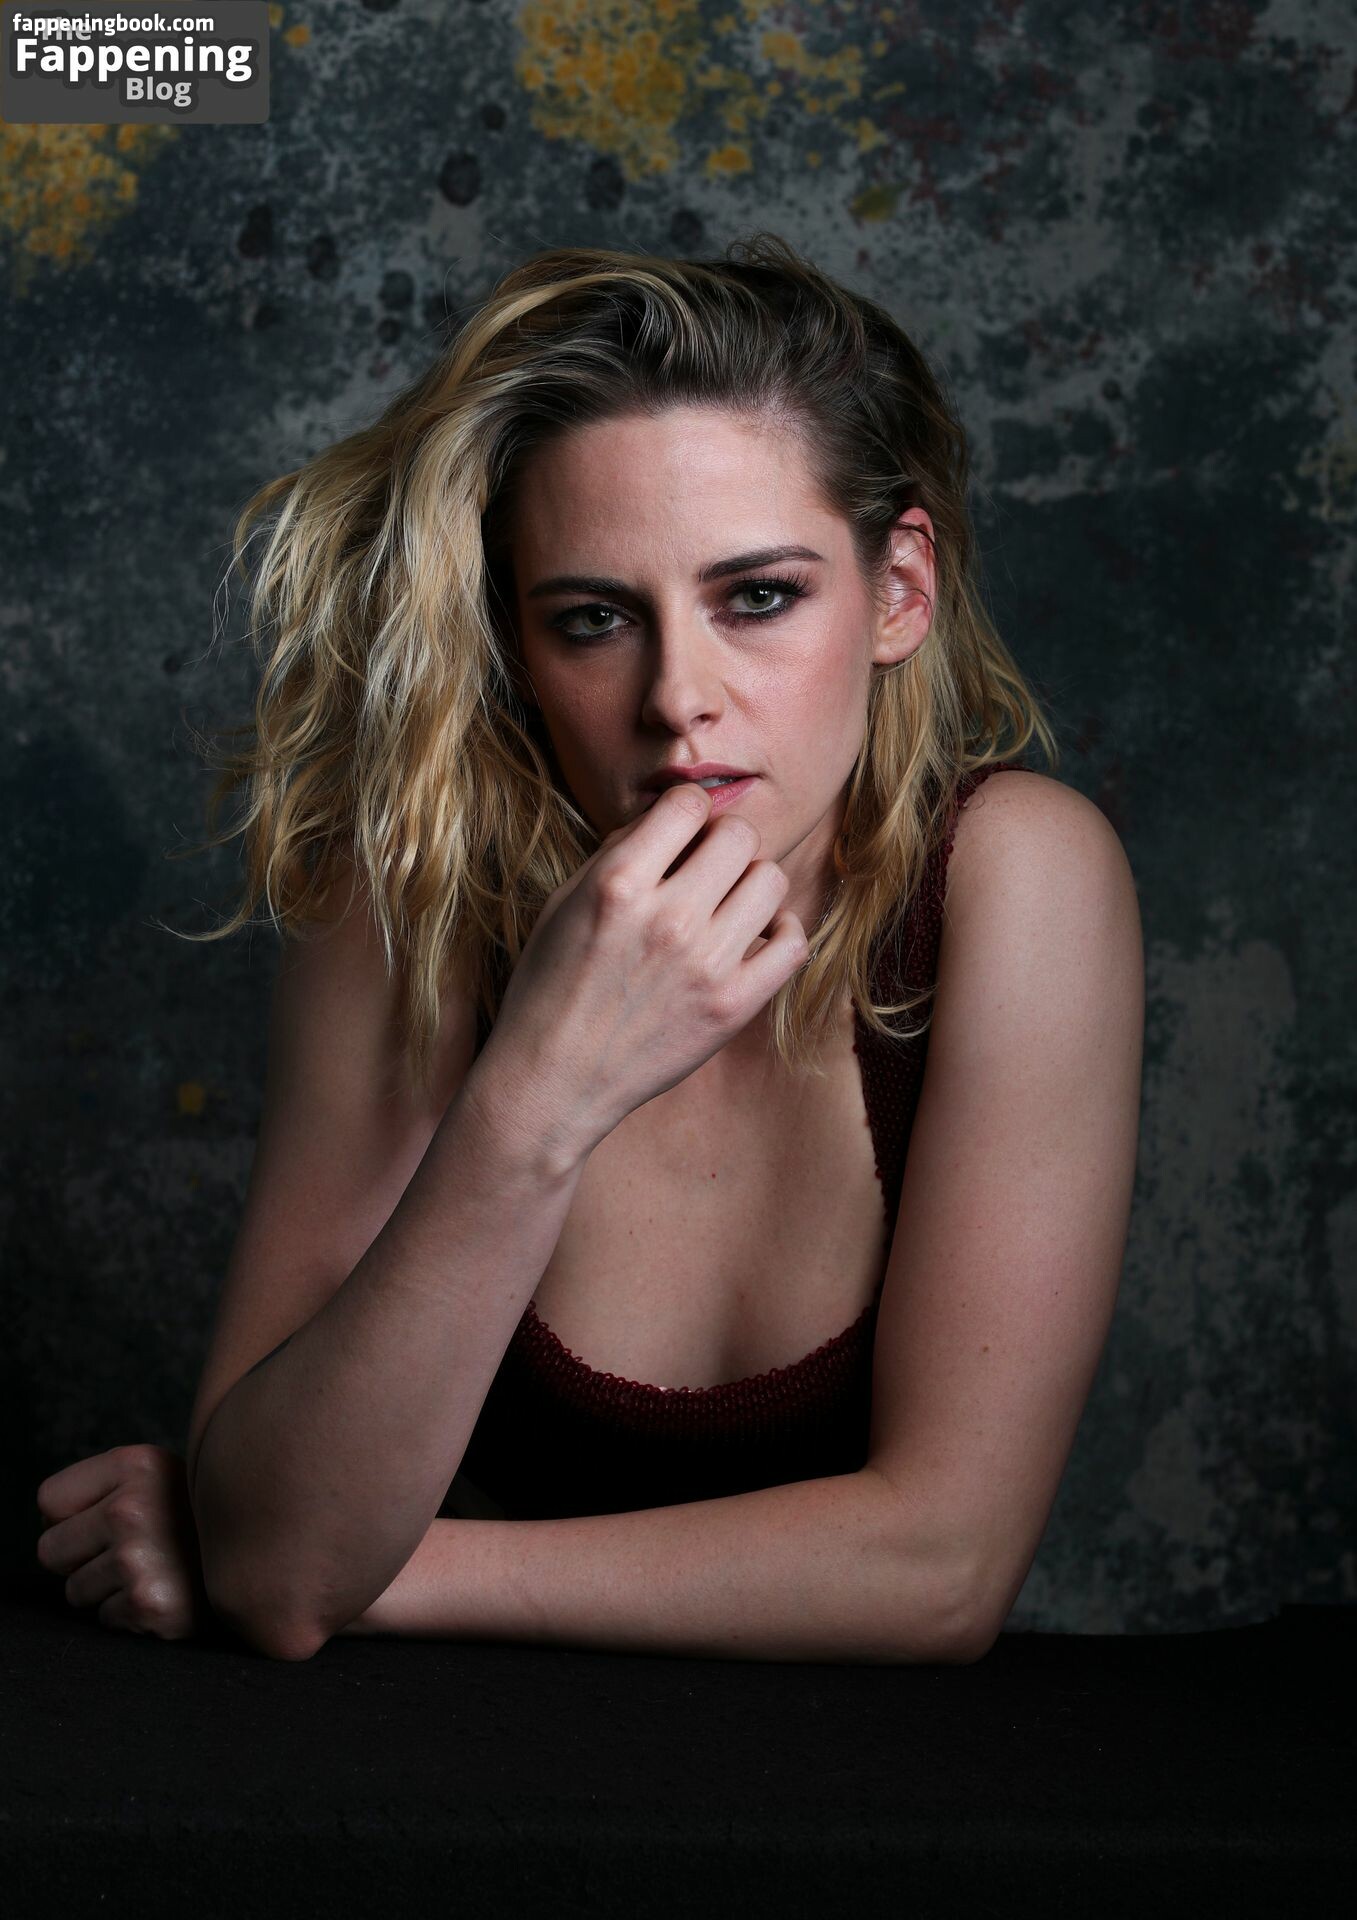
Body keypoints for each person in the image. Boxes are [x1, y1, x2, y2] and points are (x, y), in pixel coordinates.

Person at [33, 234, 1144, 1665]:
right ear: (517, 642)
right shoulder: (411, 895)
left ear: (897, 592)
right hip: (446, 1772)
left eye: (758, 597)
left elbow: (940, 1569)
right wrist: (537, 1100)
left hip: (867, 1783)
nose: (678, 697)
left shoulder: (1012, 880)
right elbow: (283, 1563)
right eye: (594, 619)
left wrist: (376, 1571)